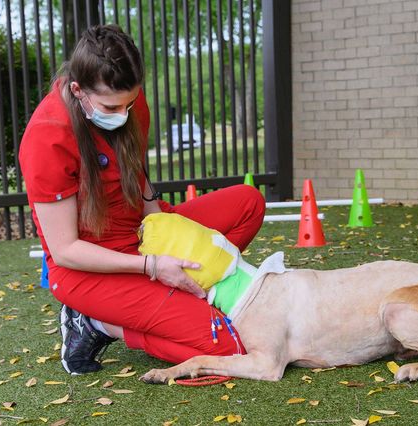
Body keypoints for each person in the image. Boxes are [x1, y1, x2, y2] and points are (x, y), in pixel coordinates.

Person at [19, 25, 265, 375]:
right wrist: (151, 266)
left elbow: (134, 167)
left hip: (141, 233)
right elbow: (64, 250)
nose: (122, 114)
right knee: (229, 346)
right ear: (78, 90)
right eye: (110, 106)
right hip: (87, 267)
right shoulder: (47, 136)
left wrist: (160, 223)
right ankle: (94, 324)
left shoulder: (128, 100)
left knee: (248, 202)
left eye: (129, 103)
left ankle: (199, 292)